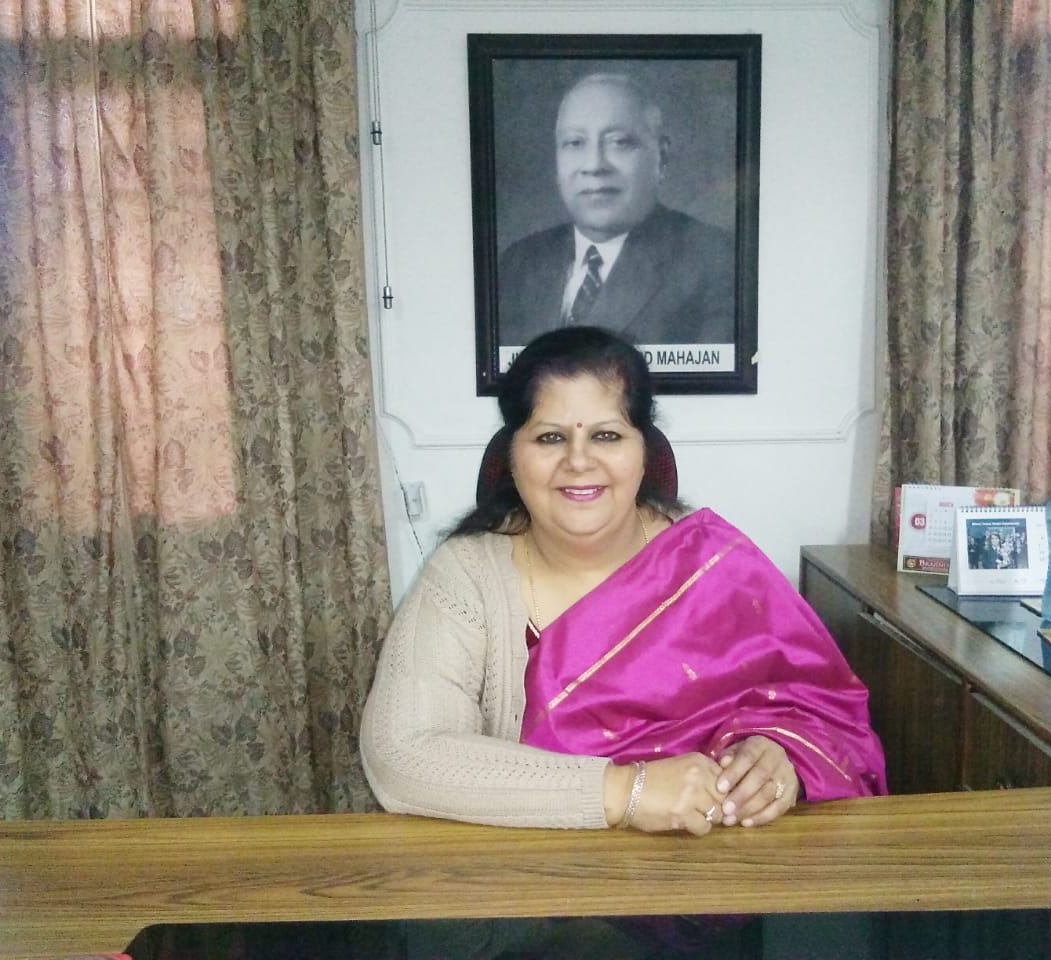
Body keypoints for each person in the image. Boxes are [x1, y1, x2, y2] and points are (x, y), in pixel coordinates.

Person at [359, 326, 885, 837]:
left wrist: (782, 757)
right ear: (512, 458)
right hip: (540, 871)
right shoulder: (466, 578)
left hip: (721, 861)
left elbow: (829, 719)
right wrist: (625, 791)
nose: (579, 461)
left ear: (643, 453)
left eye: (606, 435)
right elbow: (403, 753)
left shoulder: (712, 563)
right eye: (550, 437)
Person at [497, 73, 736, 346]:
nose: (594, 165)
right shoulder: (518, 264)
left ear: (662, 157)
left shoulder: (715, 261)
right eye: (575, 143)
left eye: (619, 142)